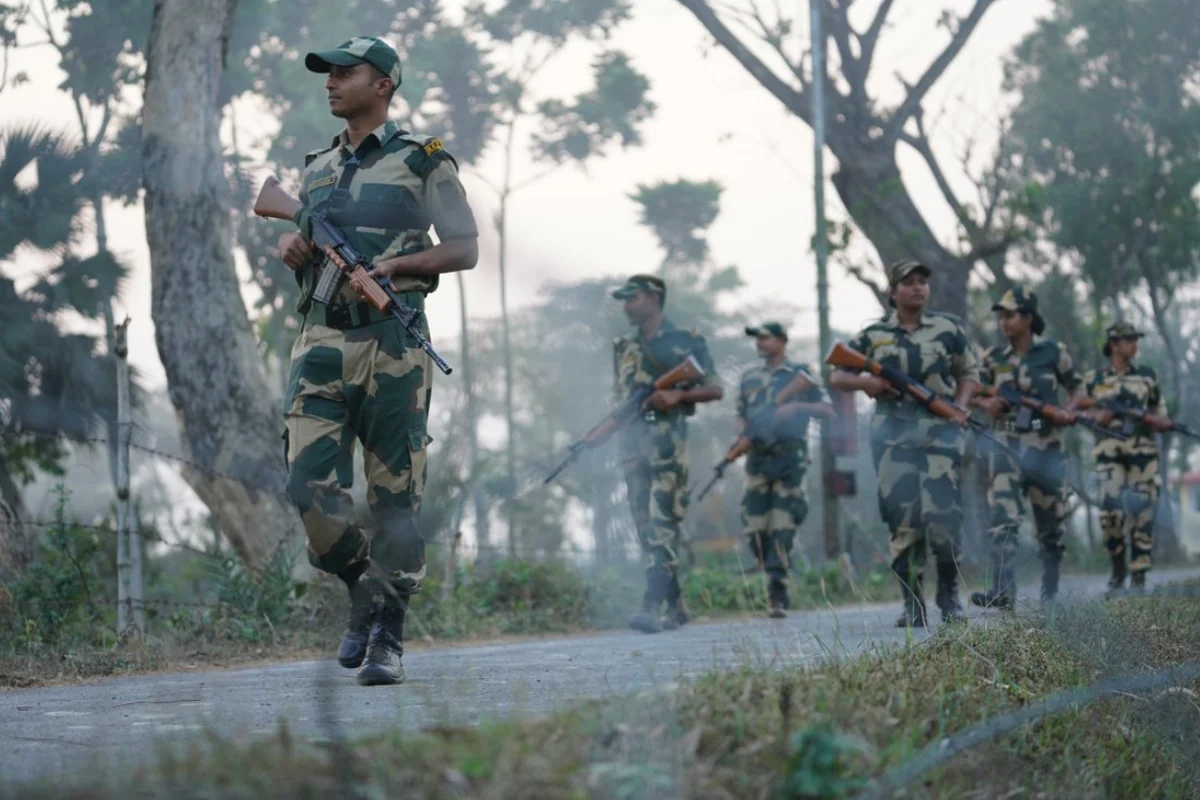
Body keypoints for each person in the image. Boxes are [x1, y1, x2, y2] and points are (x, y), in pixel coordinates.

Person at [275, 36, 478, 686]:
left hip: (393, 345)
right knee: (308, 487)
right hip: (319, 343)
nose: (330, 81)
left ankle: (389, 631)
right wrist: (291, 243)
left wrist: (393, 266)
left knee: (395, 502)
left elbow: (465, 248)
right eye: (327, 72)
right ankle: (363, 584)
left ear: (383, 84)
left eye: (345, 71)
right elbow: (302, 237)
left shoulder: (423, 162)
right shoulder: (313, 169)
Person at [829, 260, 979, 628]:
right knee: (904, 524)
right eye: (909, 283)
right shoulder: (874, 335)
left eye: (923, 282)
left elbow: (969, 373)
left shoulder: (948, 329)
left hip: (940, 437)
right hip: (893, 440)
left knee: (944, 520)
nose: (918, 288)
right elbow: (837, 375)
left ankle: (949, 597)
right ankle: (912, 605)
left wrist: (959, 405)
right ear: (893, 291)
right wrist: (870, 384)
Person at [611, 275, 723, 633]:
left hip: (668, 447)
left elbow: (715, 388)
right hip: (632, 448)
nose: (627, 305)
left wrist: (679, 396)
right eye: (624, 299)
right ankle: (676, 605)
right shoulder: (622, 345)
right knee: (646, 530)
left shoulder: (686, 340)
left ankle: (652, 604)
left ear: (654, 298)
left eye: (633, 298)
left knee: (663, 525)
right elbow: (621, 396)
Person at [970, 288, 1085, 609]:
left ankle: (1050, 591)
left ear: (1028, 317)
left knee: (1050, 525)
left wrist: (1069, 410)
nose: (1003, 322)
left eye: (1010, 315)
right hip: (1005, 446)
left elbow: (1078, 387)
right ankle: (1003, 591)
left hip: (1046, 447)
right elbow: (969, 391)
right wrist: (986, 402)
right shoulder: (993, 358)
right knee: (1002, 518)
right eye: (1001, 316)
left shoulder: (1053, 353)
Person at [734, 322, 833, 618]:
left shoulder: (800, 374)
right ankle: (769, 565)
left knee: (782, 523)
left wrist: (796, 409)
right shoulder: (749, 378)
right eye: (757, 338)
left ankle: (777, 589)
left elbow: (827, 409)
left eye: (765, 337)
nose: (760, 343)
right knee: (753, 524)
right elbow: (740, 415)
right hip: (758, 458)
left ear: (782, 340)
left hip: (790, 458)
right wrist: (743, 436)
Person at [1082, 322, 1170, 595]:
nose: (1134, 344)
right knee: (1111, 512)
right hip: (1110, 455)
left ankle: (1139, 576)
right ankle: (1118, 566)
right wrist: (1099, 416)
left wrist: (1156, 420)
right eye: (1128, 339)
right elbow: (1077, 413)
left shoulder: (1147, 376)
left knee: (1143, 514)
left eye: (1135, 339)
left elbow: (1160, 414)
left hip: (1143, 455)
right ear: (1114, 344)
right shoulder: (1094, 380)